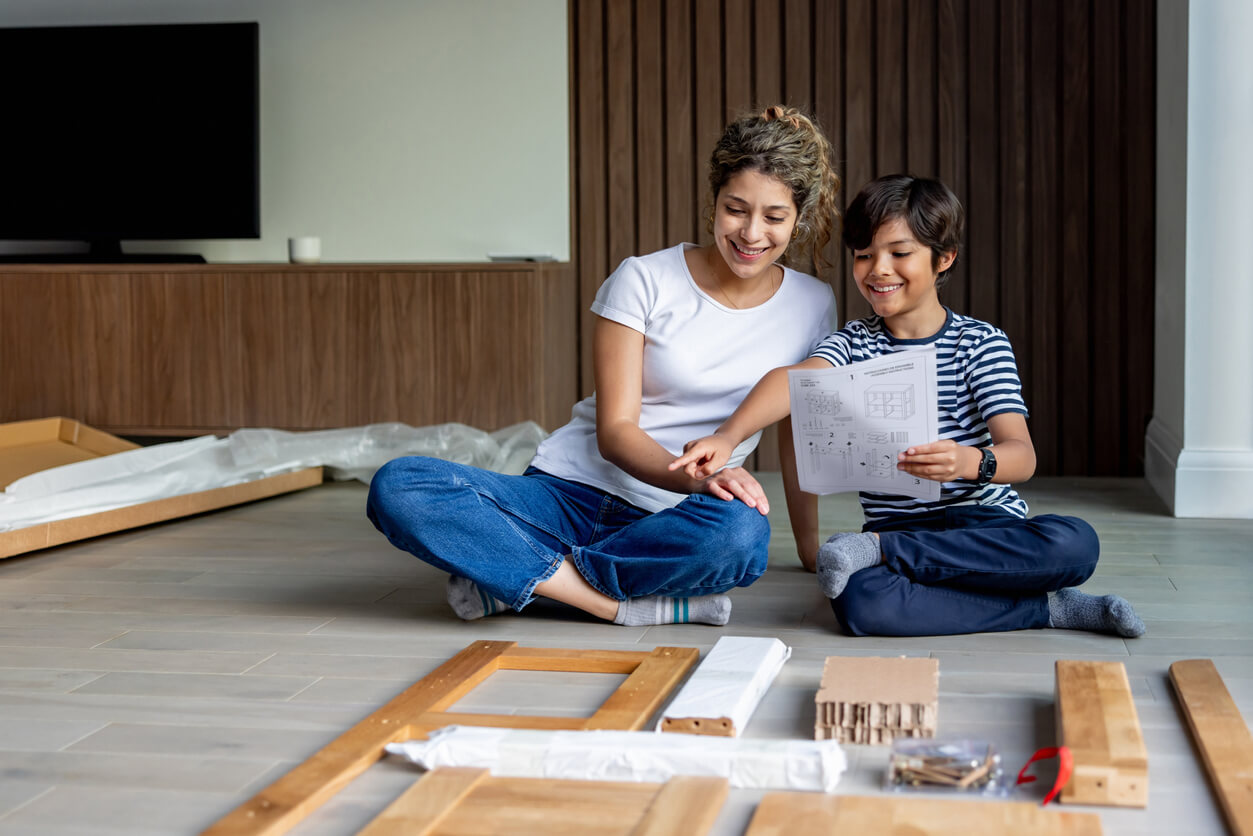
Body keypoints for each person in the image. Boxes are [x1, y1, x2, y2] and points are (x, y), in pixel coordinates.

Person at [366, 105, 841, 626]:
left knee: (741, 536)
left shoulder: (812, 303)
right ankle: (611, 604)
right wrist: (697, 481)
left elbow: (800, 433)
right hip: (568, 495)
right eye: (736, 209)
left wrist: (810, 548)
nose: (752, 233)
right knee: (400, 485)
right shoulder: (644, 279)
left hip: (672, 521)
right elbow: (614, 432)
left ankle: (521, 580)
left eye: (774, 217)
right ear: (713, 201)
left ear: (799, 219)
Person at [671, 174, 1146, 638]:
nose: (878, 269)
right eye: (863, 256)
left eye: (899, 254)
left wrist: (968, 461)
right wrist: (728, 436)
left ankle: (890, 554)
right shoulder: (852, 344)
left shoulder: (980, 344)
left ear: (944, 258)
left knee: (1076, 545)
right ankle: (1046, 609)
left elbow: (1021, 456)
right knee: (862, 604)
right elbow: (788, 383)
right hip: (897, 524)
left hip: (982, 526)